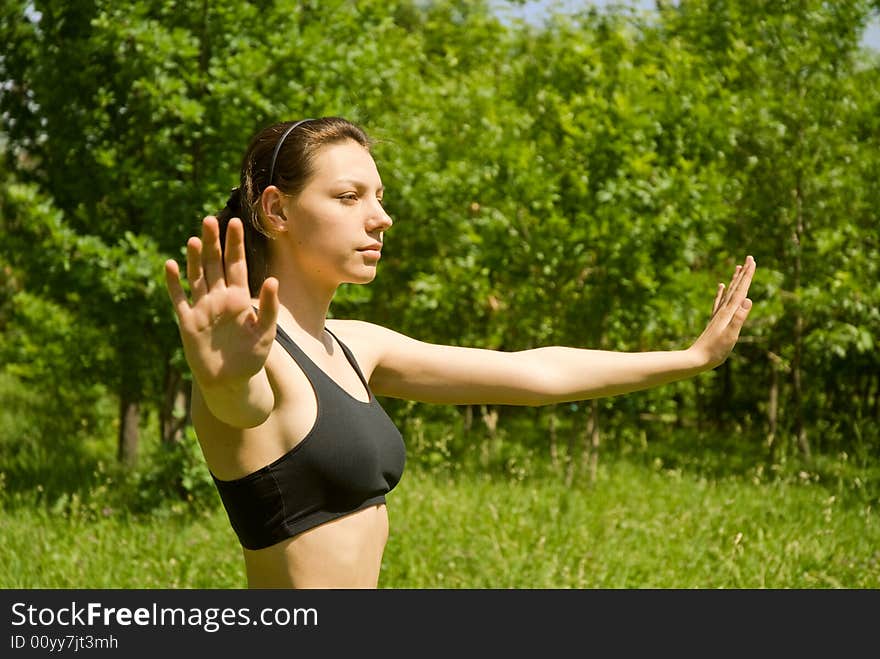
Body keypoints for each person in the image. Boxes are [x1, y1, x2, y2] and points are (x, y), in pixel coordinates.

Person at [163, 116, 756, 589]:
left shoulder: (356, 344)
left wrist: (690, 358)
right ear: (277, 210)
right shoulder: (254, 361)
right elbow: (241, 403)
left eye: (379, 197)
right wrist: (221, 377)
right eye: (349, 197)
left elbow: (535, 371)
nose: (382, 218)